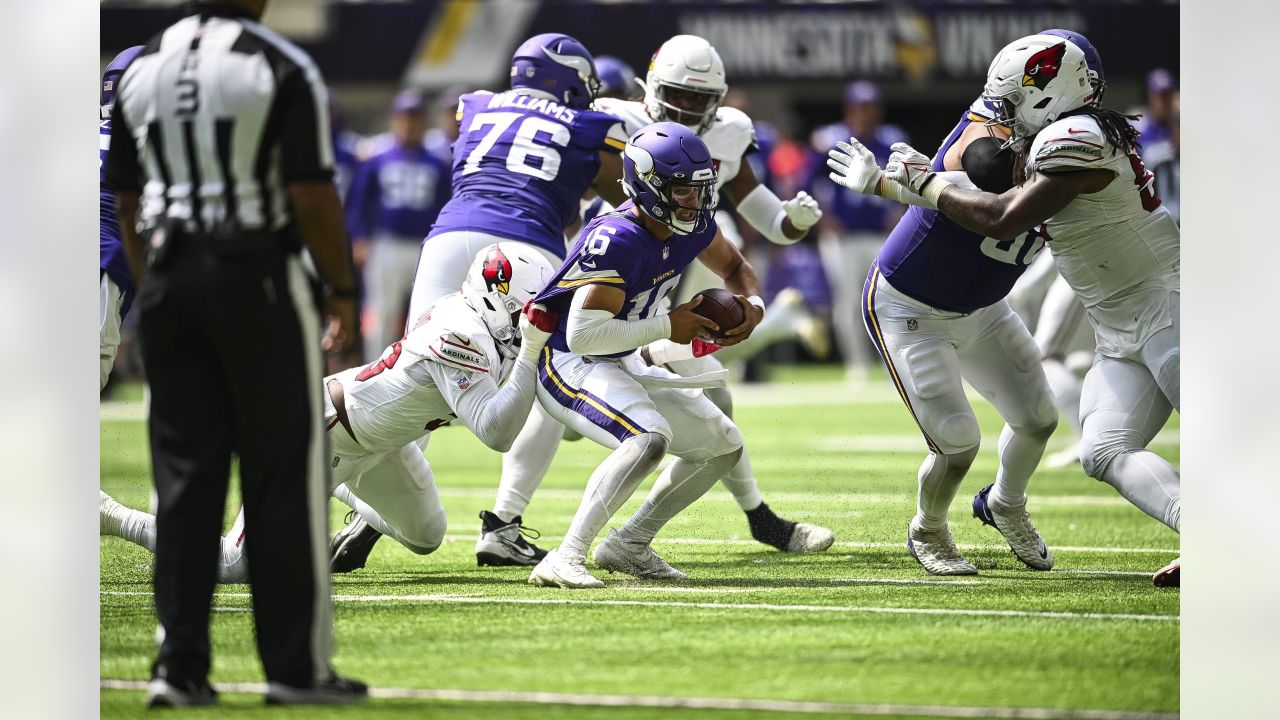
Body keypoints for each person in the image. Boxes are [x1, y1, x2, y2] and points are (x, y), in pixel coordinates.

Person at [843, 34, 1182, 585]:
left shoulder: (1076, 138)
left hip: (1167, 305)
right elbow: (974, 178)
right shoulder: (1059, 136)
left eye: (1010, 103)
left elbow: (1001, 216)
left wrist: (906, 183)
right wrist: (912, 182)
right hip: (1117, 329)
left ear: (1050, 95)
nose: (998, 119)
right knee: (1103, 449)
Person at [103, 0, 364, 706]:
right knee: (281, 478)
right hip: (257, 278)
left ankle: (177, 667)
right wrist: (341, 290)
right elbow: (311, 193)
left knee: (186, 481)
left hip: (170, 278)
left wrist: (154, 280)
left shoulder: (139, 64)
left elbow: (125, 198)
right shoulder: (280, 65)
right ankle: (293, 669)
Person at [320, 33, 631, 570]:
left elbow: (505, 168)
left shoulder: (477, 105)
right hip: (524, 248)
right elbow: (625, 196)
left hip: (449, 238)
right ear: (567, 81)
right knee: (540, 373)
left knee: (420, 370)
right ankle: (504, 523)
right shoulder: (589, 125)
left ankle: (360, 496)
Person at [534, 34, 836, 555]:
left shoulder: (701, 203)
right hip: (605, 293)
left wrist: (786, 241)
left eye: (703, 186)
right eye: (683, 95)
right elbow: (583, 324)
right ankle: (522, 525)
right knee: (559, 412)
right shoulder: (610, 129)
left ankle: (717, 524)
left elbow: (750, 242)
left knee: (716, 416)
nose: (691, 107)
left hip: (654, 298)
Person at [103, 243, 559, 578]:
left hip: (383, 443)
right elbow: (496, 433)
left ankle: (328, 489)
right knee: (234, 566)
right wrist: (532, 350)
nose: (528, 322)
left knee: (425, 537)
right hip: (321, 429)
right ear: (494, 299)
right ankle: (111, 516)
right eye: (523, 312)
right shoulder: (462, 332)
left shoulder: (482, 324)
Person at [528, 122, 755, 588]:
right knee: (648, 439)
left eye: (700, 190)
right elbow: (583, 336)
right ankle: (565, 555)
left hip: (622, 355)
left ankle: (630, 544)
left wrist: (753, 308)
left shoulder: (690, 224)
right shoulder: (619, 237)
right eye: (681, 191)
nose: (693, 202)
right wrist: (670, 325)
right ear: (648, 187)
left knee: (723, 446)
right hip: (569, 361)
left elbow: (734, 266)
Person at [807, 81, 909, 383]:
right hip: (842, 236)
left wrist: (902, 213)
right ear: (849, 109)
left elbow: (910, 179)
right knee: (849, 299)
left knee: (888, 299)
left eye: (872, 106)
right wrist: (821, 218)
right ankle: (857, 364)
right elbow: (804, 182)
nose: (868, 113)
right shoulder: (829, 139)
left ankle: (893, 363)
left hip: (881, 232)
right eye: (862, 107)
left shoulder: (892, 140)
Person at [348, 89, 452, 361]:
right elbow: (360, 201)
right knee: (382, 311)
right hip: (387, 243)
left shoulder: (438, 162)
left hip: (423, 245)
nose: (410, 124)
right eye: (406, 117)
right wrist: (359, 237)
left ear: (424, 121)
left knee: (427, 312)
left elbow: (446, 205)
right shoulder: (378, 158)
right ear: (395, 120)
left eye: (416, 117)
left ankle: (419, 368)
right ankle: (374, 367)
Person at [1133, 68, 1177, 168]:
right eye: (1161, 96)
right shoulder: (1138, 129)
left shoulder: (1177, 128)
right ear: (1150, 96)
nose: (1166, 102)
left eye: (1169, 96)